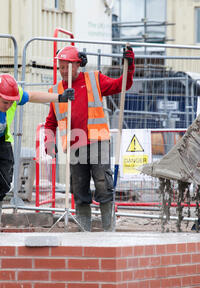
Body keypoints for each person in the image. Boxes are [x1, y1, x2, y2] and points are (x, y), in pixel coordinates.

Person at [0, 73, 74, 232]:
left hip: (1, 141)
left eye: (12, 103)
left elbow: (32, 96)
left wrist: (59, 97)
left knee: (1, 184)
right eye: (5, 102)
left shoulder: (11, 94)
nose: (9, 106)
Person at [44, 45, 134, 232]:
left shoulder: (94, 79)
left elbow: (122, 85)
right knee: (79, 189)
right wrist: (49, 142)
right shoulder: (56, 90)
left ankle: (108, 229)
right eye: (60, 67)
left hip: (98, 141)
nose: (63, 71)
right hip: (75, 144)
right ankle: (84, 230)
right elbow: (50, 122)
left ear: (78, 65)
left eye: (67, 66)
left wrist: (130, 65)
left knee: (103, 184)